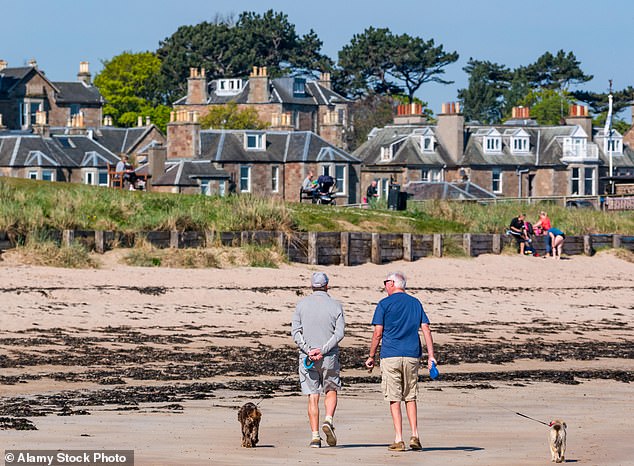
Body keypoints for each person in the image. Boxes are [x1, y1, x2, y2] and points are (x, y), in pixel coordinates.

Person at [365, 272, 435, 452]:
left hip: (390, 355)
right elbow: (426, 329)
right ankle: (415, 435)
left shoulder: (384, 304)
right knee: (410, 396)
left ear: (394, 283)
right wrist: (431, 356)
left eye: (386, 282)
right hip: (412, 355)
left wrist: (371, 356)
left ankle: (398, 438)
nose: (384, 286)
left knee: (394, 397)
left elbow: (377, 333)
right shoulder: (415, 303)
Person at [291, 272, 345, 448]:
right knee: (331, 389)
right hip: (328, 356)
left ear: (311, 285)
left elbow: (296, 332)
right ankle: (328, 420)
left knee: (313, 396)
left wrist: (309, 350)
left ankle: (315, 437)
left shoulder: (301, 305)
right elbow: (339, 333)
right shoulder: (336, 305)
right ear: (327, 285)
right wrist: (322, 350)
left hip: (307, 357)